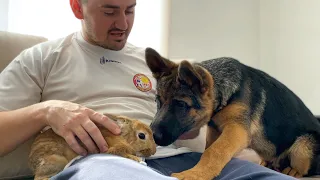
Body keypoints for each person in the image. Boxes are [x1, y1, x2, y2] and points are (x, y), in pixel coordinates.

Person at [0, 0, 298, 179]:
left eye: (130, 10)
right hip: (103, 162)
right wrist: (47, 111)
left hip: (180, 160)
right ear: (78, 7)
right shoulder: (42, 58)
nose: (122, 23)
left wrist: (190, 126)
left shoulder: (159, 68)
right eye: (109, 11)